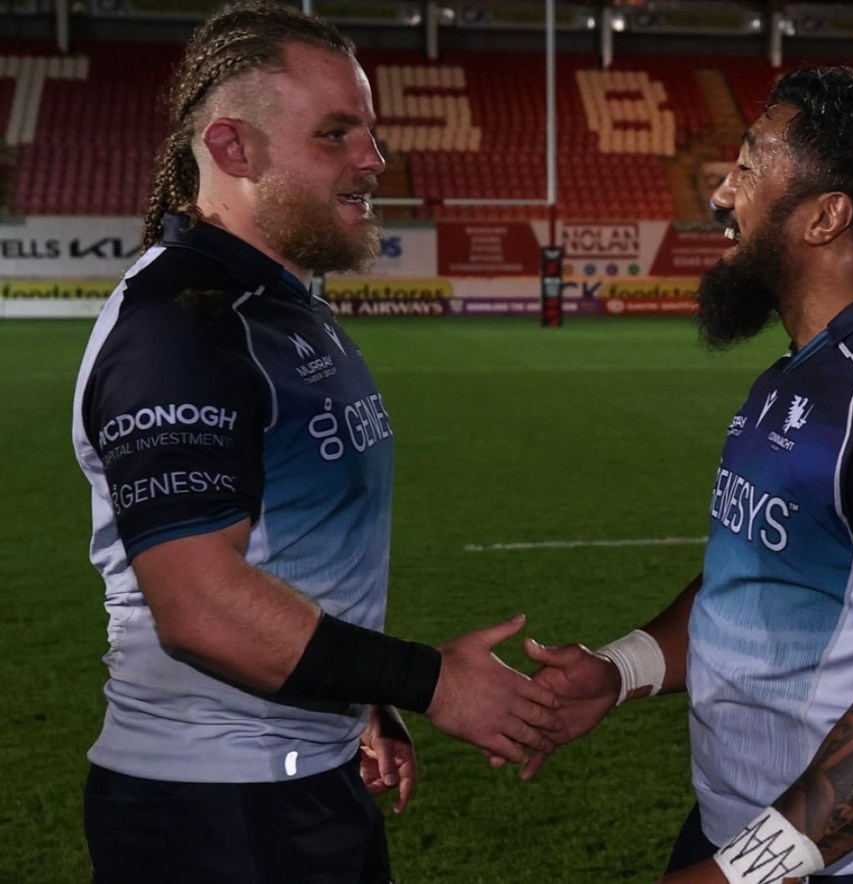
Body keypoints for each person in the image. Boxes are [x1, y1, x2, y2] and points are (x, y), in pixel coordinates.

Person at [71, 3, 561, 882]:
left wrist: (359, 694)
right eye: (337, 134)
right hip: (214, 816)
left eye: (369, 133)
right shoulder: (181, 328)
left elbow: (286, 560)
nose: (373, 160)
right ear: (233, 150)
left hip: (290, 786)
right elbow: (201, 607)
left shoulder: (282, 306)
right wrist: (429, 680)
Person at [521, 66, 853, 883]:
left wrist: (740, 873)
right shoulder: (811, 368)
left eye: (749, 166)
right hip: (753, 839)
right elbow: (761, 573)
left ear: (827, 216)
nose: (721, 194)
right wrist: (622, 671)